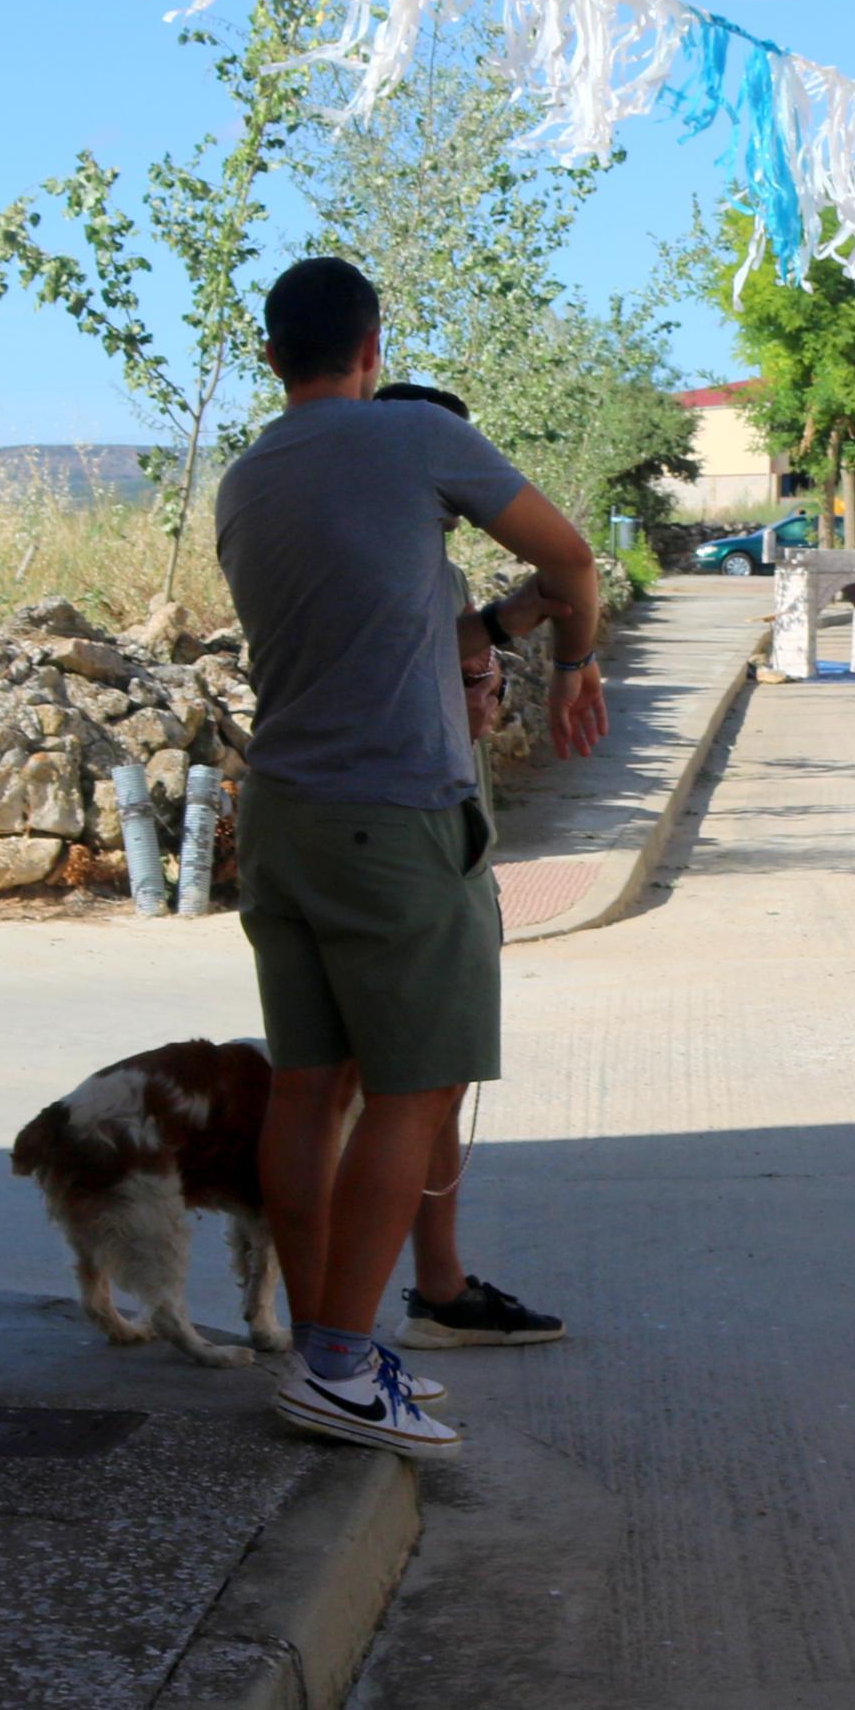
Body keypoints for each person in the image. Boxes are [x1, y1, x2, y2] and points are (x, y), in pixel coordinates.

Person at [219, 260, 606, 1455]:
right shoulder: (413, 438)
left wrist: (494, 630)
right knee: (416, 1087)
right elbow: (573, 554)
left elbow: (382, 633)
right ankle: (338, 1364)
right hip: (393, 819)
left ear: (272, 353)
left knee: (308, 1081)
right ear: (373, 345)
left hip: (284, 812)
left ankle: (324, 1341)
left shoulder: (245, 478)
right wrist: (577, 662)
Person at [363, 380, 569, 1354]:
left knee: (424, 1085)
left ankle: (427, 1286)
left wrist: (493, 645)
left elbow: (444, 675)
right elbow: (413, 680)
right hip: (415, 844)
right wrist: (514, 633)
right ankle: (357, 1331)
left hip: (438, 834)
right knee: (412, 1086)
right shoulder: (397, 573)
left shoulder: (419, 571)